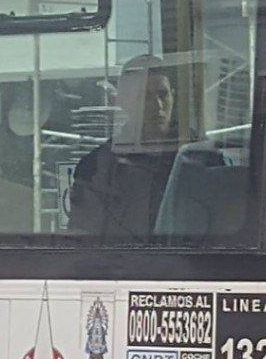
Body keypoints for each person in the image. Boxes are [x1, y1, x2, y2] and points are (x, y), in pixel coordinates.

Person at [68, 55, 185, 238]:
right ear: (124, 102)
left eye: (163, 94)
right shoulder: (95, 168)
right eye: (145, 97)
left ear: (174, 96)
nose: (158, 105)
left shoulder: (199, 158)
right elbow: (83, 243)